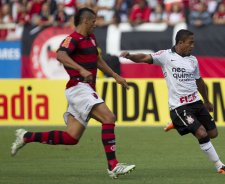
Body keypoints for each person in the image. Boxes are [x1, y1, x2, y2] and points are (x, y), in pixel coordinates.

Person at [11, 7, 135, 179]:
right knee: (109, 118)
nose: (95, 24)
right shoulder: (72, 39)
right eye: (93, 21)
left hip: (86, 89)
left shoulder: (90, 38)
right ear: (85, 21)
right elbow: (60, 55)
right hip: (78, 87)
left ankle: (26, 136)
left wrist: (115, 75)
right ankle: (113, 166)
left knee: (71, 137)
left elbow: (97, 59)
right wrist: (80, 69)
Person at [120, 29, 225, 174]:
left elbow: (199, 81)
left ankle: (177, 123)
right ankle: (220, 166)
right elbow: (144, 57)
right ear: (180, 43)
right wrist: (130, 56)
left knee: (213, 133)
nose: (193, 46)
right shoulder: (166, 56)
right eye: (190, 43)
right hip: (179, 106)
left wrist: (207, 100)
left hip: (196, 102)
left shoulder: (193, 60)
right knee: (202, 133)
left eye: (193, 43)